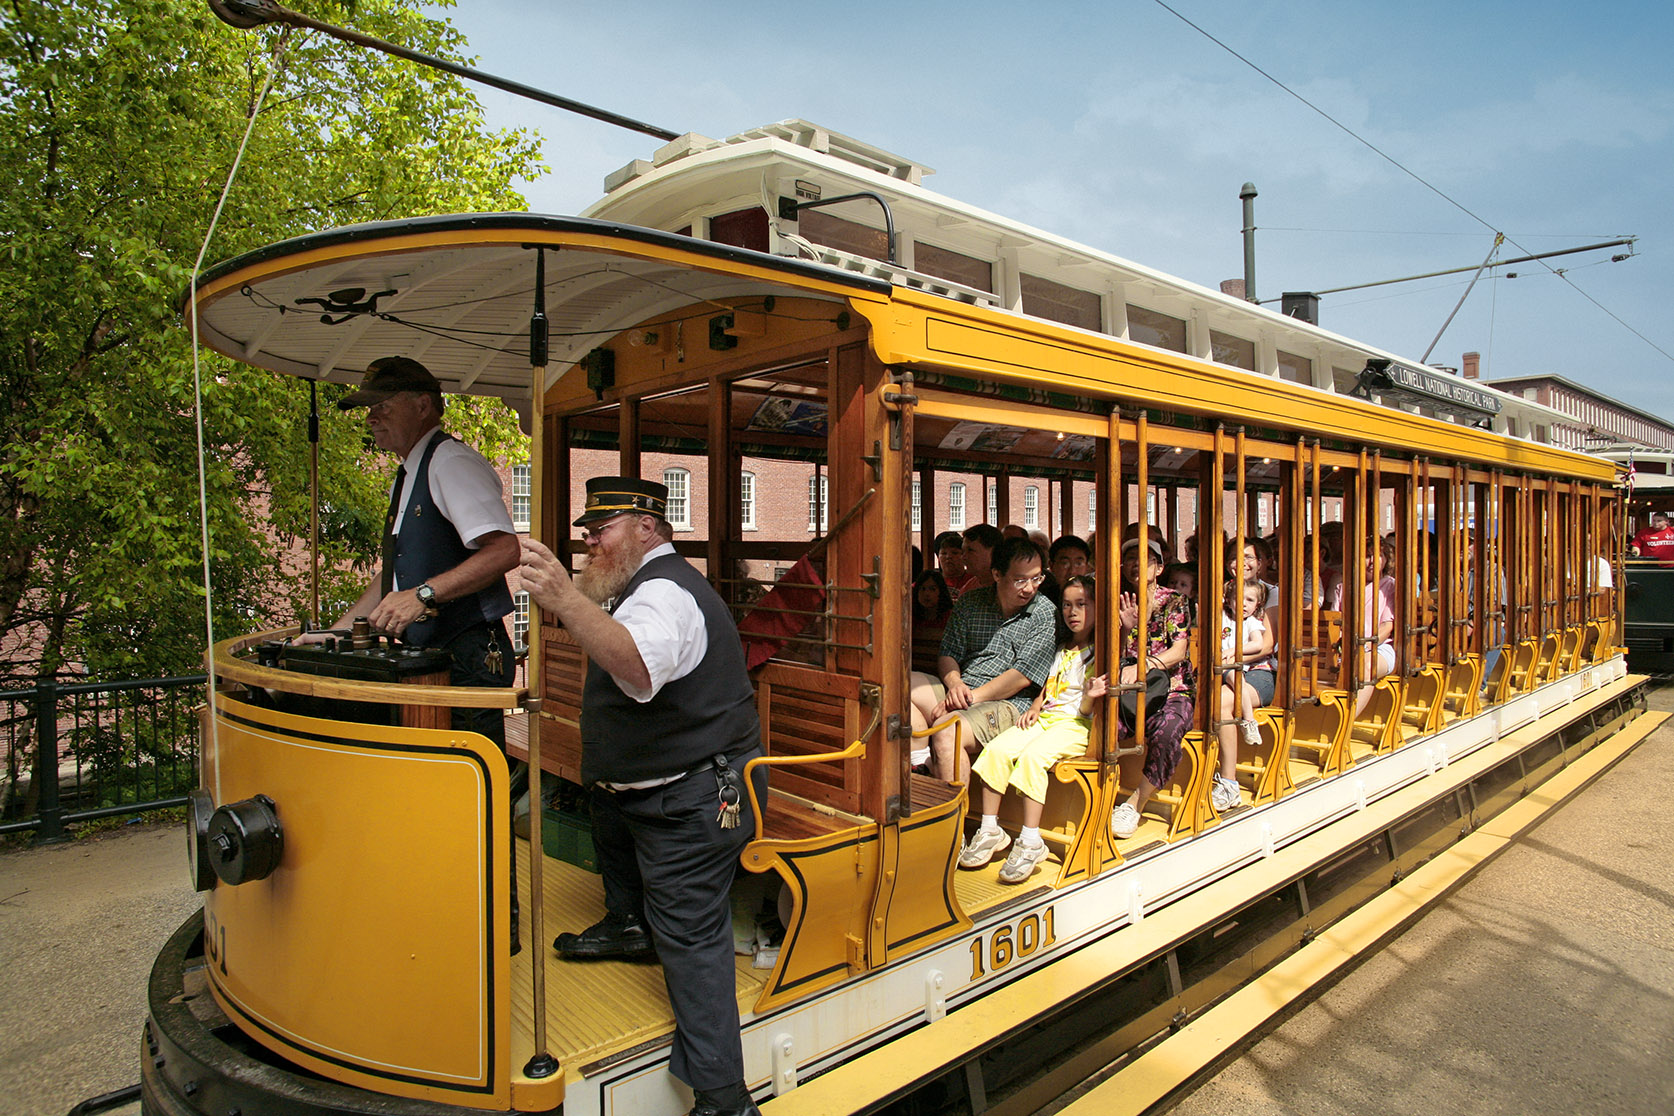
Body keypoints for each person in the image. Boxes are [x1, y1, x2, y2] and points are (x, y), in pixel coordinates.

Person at [519, 477, 765, 1116]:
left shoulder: (664, 593)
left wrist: (564, 599)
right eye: (587, 531)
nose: (589, 541)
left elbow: (635, 666)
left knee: (690, 934)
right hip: (657, 789)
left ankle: (725, 1097)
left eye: (601, 530)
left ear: (647, 528)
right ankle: (631, 924)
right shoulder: (641, 589)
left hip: (700, 799)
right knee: (607, 807)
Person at [324, 357, 518, 744]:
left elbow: (505, 551)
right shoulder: (410, 473)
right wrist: (333, 635)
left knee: (463, 770)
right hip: (433, 659)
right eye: (369, 409)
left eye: (382, 406)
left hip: (467, 658)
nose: (371, 418)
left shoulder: (450, 462)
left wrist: (422, 595)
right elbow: (395, 577)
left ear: (422, 405)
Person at [958, 575, 1107, 884]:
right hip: (1046, 719)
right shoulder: (1063, 646)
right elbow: (1050, 686)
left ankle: (1030, 840)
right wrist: (1036, 706)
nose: (1072, 612)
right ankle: (990, 829)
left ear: (1097, 607)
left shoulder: (1101, 651)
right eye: (1067, 605)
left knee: (1032, 758)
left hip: (1076, 725)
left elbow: (1085, 710)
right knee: (997, 750)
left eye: (1081, 604)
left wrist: (1090, 698)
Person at [909, 536, 1057, 783]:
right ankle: (921, 763)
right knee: (902, 686)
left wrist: (967, 698)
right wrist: (955, 684)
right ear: (997, 574)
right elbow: (948, 653)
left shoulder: (1045, 612)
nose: (1030, 588)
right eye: (1020, 580)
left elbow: (1022, 677)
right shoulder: (971, 602)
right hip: (962, 691)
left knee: (948, 732)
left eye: (1036, 578)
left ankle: (952, 807)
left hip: (1009, 703)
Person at [1109, 537, 1195, 840]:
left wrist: (1144, 665)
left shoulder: (1173, 600)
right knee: (1102, 726)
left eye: (1145, 559)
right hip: (1127, 688)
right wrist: (1127, 627)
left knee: (1168, 729)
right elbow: (1112, 650)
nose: (1136, 564)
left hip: (1170, 688)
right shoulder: (1118, 599)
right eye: (1131, 559)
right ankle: (1098, 796)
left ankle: (1136, 803)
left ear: (1158, 568)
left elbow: (1178, 651)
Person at [1212, 578, 1276, 812]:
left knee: (1222, 699)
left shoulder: (1254, 622)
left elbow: (1262, 645)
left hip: (1257, 672)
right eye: (1238, 598)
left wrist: (1232, 653)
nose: (1243, 603)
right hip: (1227, 667)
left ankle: (1229, 784)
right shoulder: (1224, 617)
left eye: (1249, 599)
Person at [953, 523, 1004, 596]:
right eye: (963, 551)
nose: (963, 557)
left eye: (970, 550)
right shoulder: (968, 590)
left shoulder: (1011, 586)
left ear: (993, 551)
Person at [933, 531, 967, 596]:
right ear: (938, 557)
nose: (948, 557)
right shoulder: (930, 582)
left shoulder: (974, 581)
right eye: (944, 553)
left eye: (955, 553)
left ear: (964, 556)